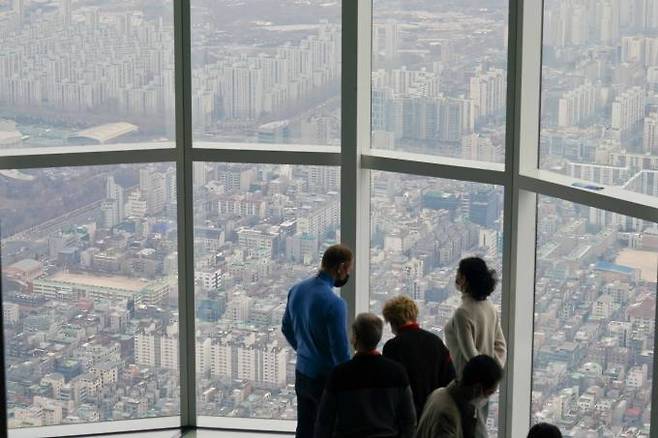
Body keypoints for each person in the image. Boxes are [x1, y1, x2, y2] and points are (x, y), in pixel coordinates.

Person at [282, 244, 353, 438]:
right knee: (328, 430)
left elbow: (286, 328)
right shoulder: (335, 304)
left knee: (304, 427)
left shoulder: (296, 289)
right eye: (348, 270)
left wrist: (305, 350)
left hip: (302, 372)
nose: (348, 275)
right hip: (325, 378)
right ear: (341, 268)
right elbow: (340, 351)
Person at [314, 313, 416, 438]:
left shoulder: (339, 374)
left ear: (355, 337)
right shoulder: (397, 372)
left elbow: (324, 422)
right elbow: (409, 420)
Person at [444, 257, 507, 437]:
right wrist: (492, 375)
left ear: (464, 279)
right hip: (485, 385)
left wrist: (480, 374)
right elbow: (501, 346)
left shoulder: (463, 312)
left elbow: (469, 354)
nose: (456, 276)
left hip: (467, 384)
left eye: (458, 273)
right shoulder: (490, 307)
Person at [382, 295, 455, 417]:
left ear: (393, 322)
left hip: (406, 417)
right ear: (414, 315)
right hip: (433, 414)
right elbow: (450, 379)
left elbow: (390, 389)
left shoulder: (392, 347)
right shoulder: (435, 342)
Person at [416, 355, 503, 438]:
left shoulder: (439, 393)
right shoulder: (448, 416)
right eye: (489, 393)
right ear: (477, 388)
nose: (488, 399)